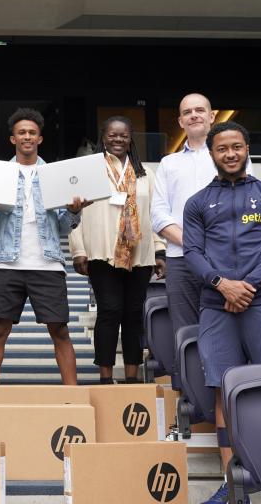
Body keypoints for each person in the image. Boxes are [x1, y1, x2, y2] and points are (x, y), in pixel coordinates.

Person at [183, 121, 261, 504]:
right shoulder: (197, 202)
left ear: (247, 148)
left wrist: (245, 286)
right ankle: (234, 489)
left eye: (236, 147)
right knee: (223, 392)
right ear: (211, 153)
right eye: (221, 148)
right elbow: (193, 254)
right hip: (216, 307)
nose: (230, 154)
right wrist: (222, 285)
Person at [0, 107, 88, 385]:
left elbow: (62, 227)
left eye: (32, 133)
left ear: (40, 138)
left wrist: (74, 211)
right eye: (21, 132)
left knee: (60, 330)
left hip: (46, 263)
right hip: (6, 263)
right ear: (12, 138)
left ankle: (72, 396)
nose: (27, 137)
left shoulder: (54, 174)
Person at [150, 93, 253, 384]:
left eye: (200, 110)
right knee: (186, 333)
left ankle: (228, 398)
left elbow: (247, 205)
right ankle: (192, 402)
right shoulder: (168, 163)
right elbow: (159, 215)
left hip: (226, 262)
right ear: (181, 121)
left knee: (227, 331)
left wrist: (212, 247)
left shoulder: (231, 155)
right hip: (181, 262)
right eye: (187, 112)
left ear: (211, 116)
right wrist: (194, 245)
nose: (194, 115)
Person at [69, 116, 166, 384]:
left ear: (130, 138)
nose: (118, 139)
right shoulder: (89, 170)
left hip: (140, 254)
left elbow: (155, 214)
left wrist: (159, 250)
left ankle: (133, 378)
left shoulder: (146, 173)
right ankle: (105, 377)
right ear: (104, 137)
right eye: (113, 135)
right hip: (102, 251)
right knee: (110, 311)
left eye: (123, 135)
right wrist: (78, 249)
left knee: (134, 314)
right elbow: (73, 210)